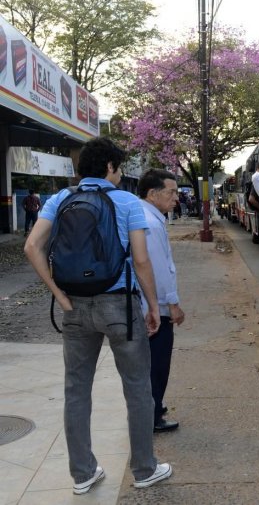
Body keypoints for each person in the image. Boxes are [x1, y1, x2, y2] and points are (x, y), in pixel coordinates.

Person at [23, 137, 172, 493]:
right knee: (137, 388)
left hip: (74, 305)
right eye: (119, 168)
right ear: (109, 167)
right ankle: (144, 469)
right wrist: (153, 306)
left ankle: (83, 473)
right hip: (118, 304)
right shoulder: (127, 203)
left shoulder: (59, 199)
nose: (120, 175)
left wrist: (58, 293)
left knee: (76, 390)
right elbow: (140, 260)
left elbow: (32, 246)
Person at [137, 169, 186, 434]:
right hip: (153, 309)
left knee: (150, 362)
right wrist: (171, 305)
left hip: (146, 305)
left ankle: (153, 406)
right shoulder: (151, 224)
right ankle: (153, 415)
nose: (176, 198)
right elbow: (156, 269)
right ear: (153, 194)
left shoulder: (143, 215)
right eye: (172, 192)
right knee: (157, 363)